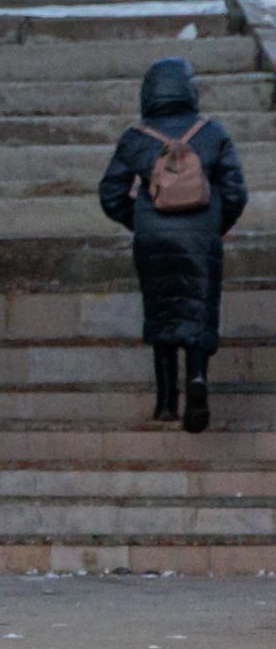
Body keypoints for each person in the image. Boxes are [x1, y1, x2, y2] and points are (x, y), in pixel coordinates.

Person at [100, 56, 248, 434]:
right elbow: (235, 191)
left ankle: (166, 403)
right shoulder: (212, 134)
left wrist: (141, 221)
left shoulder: (137, 138)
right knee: (198, 310)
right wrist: (217, 223)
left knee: (162, 311)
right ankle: (197, 378)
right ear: (189, 89)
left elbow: (111, 193)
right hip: (201, 238)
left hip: (153, 238)